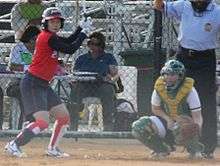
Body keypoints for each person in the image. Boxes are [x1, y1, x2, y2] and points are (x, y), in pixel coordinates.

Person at [5, 7, 93, 158]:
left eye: (58, 21)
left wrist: (79, 29)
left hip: (43, 84)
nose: (56, 24)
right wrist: (83, 33)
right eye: (52, 21)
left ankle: (52, 148)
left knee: (63, 116)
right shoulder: (47, 37)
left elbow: (67, 40)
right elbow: (70, 48)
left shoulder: (52, 37)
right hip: (33, 82)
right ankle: (14, 144)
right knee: (42, 122)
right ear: (45, 23)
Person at [153, 0, 220, 159]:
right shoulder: (183, 5)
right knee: (171, 96)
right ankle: (168, 142)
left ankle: (206, 146)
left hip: (205, 59)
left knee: (206, 101)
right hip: (184, 57)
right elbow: (160, 6)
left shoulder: (217, 11)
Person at [132, 60, 204, 159]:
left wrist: (196, 130)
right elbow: (155, 108)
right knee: (139, 126)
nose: (168, 77)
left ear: (180, 76)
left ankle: (194, 150)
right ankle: (161, 149)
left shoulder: (190, 90)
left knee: (186, 126)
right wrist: (167, 119)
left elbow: (197, 116)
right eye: (166, 74)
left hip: (184, 122)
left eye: (172, 74)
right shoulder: (159, 87)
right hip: (167, 122)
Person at [70, 32, 118, 131]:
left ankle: (108, 127)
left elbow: (114, 73)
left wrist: (109, 75)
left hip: (101, 84)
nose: (93, 47)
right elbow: (75, 72)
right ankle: (73, 126)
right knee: (75, 90)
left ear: (102, 45)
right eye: (91, 44)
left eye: (96, 44)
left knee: (108, 90)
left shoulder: (108, 57)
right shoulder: (82, 58)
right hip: (85, 84)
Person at [6, 25, 40, 129]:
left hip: (33, 82)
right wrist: (31, 68)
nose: (37, 42)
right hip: (16, 83)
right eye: (35, 39)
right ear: (29, 38)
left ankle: (33, 125)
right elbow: (12, 66)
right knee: (23, 92)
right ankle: (17, 127)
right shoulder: (18, 48)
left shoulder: (39, 50)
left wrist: (28, 68)